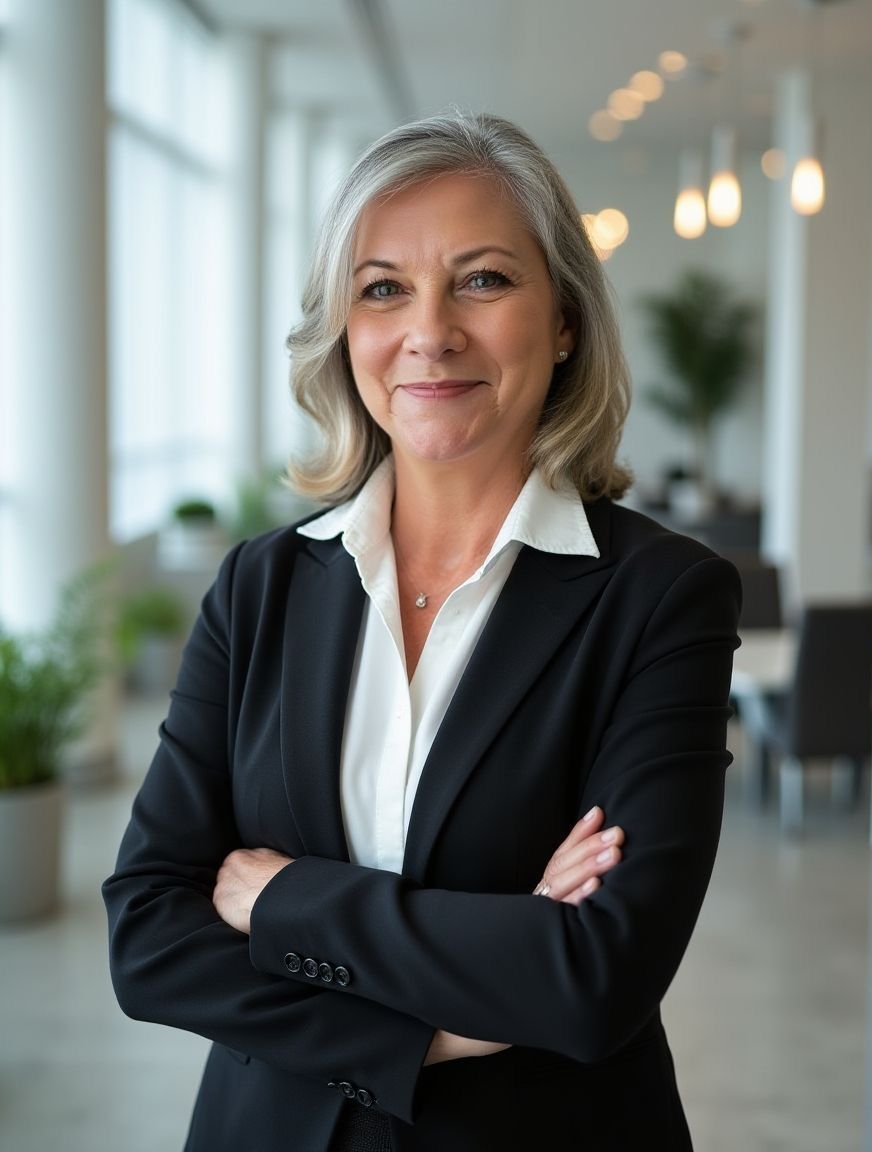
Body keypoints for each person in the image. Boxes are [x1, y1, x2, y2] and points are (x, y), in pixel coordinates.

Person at [103, 112, 741, 1152]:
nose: (430, 332)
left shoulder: (661, 598)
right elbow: (148, 936)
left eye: (483, 280)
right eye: (382, 288)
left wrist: (285, 899)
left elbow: (593, 978)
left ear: (565, 320)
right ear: (343, 331)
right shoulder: (259, 587)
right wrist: (438, 1029)